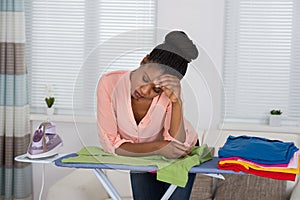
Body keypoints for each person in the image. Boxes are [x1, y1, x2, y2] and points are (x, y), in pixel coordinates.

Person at [97, 30, 199, 200]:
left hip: (180, 151)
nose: (144, 91)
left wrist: (176, 102)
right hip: (141, 153)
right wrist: (159, 147)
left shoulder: (170, 95)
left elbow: (175, 143)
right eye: (145, 78)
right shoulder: (109, 84)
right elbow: (111, 144)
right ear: (144, 61)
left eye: (156, 90)